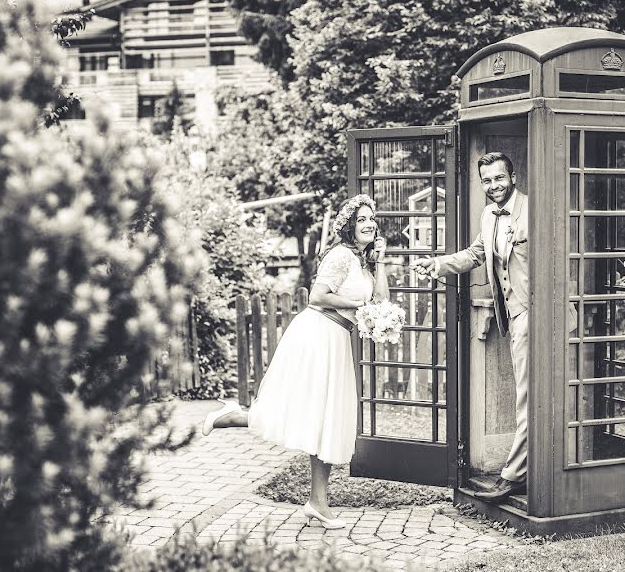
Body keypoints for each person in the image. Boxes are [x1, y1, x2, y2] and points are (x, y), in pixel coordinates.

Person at [200, 194, 389, 529]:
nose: (368, 223)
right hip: (318, 336)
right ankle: (232, 416)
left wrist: (382, 260)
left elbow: (382, 298)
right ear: (348, 225)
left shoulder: (363, 262)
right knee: (302, 411)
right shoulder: (341, 256)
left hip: (337, 340)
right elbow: (317, 296)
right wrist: (358, 307)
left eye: (371, 218)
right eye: (360, 219)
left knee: (325, 420)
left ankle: (318, 502)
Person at [412, 152, 529, 503]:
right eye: (487, 180)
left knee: (528, 397)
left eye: (499, 178)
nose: (493, 186)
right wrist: (438, 264)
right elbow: (476, 253)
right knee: (529, 396)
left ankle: (514, 474)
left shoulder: (533, 210)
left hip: (536, 314)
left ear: (513, 176)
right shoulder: (488, 215)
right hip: (512, 314)